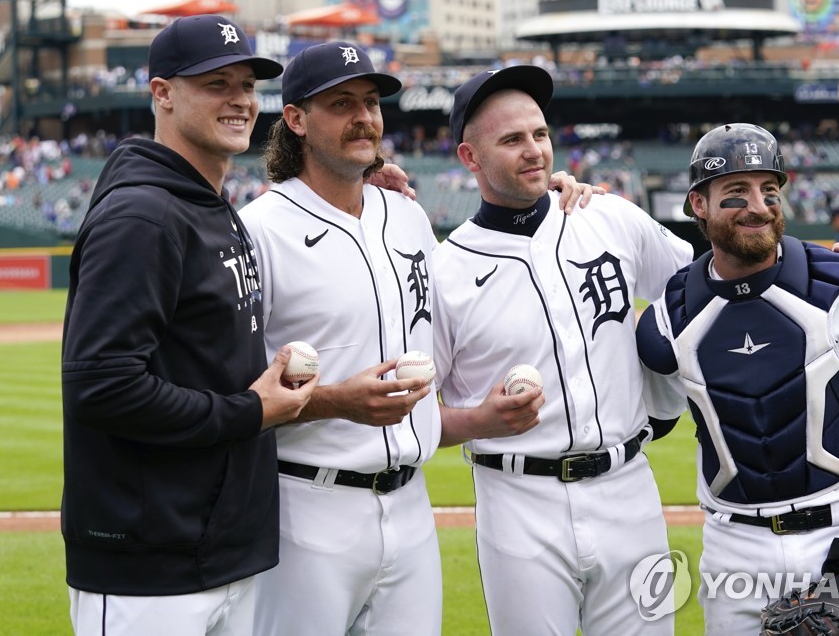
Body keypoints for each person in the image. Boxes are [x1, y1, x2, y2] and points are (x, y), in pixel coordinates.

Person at [238, 44, 599, 636]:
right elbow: (239, 394)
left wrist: (561, 194)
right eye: (342, 104)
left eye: (372, 102)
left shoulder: (405, 215)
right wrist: (335, 400)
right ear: (297, 120)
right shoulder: (259, 229)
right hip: (306, 506)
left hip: (411, 509)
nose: (365, 117)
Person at [60, 14, 319, 635]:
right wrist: (248, 411)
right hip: (148, 567)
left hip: (224, 548)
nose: (239, 99)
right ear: (162, 93)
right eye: (215, 82)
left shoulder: (210, 207)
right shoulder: (142, 217)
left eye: (248, 85)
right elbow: (102, 384)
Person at [636, 123, 839, 635]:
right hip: (734, 555)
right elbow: (647, 419)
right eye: (736, 194)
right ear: (697, 205)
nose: (758, 205)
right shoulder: (668, 316)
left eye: (769, 191)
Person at [432, 65, 697, 635]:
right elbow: (409, 419)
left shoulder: (607, 217)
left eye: (540, 134)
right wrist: (478, 419)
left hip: (628, 488)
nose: (534, 151)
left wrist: (826, 267)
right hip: (516, 499)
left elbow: (708, 284)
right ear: (469, 159)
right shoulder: (444, 270)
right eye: (511, 140)